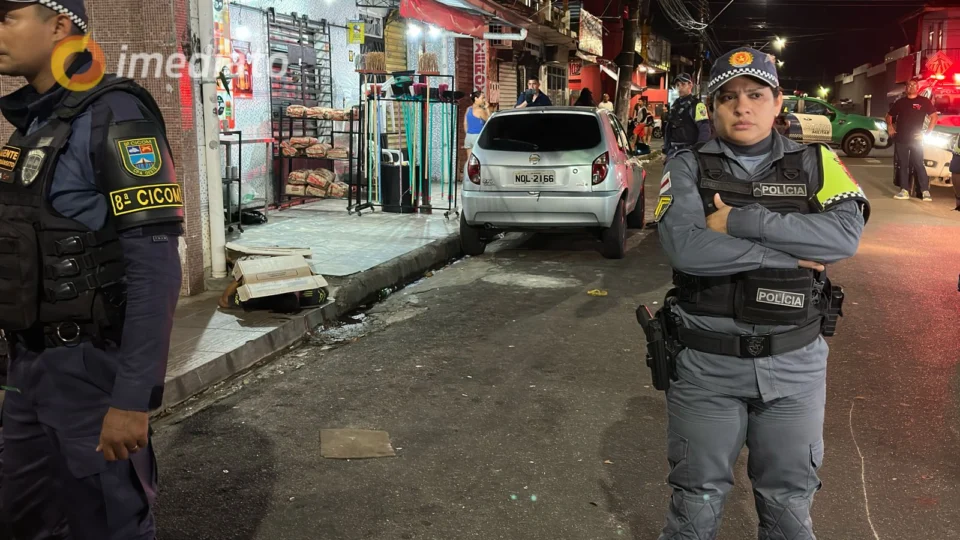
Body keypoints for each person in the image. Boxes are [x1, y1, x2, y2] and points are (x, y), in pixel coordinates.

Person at [648, 47, 869, 539]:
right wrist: (790, 254)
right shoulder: (686, 167)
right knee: (695, 505)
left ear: (777, 103)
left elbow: (842, 238)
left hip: (795, 368)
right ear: (710, 108)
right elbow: (687, 248)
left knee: (790, 506)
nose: (742, 107)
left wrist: (739, 221)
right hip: (707, 368)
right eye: (727, 97)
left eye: (755, 95)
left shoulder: (818, 161)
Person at [0, 1, 183, 538]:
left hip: (90, 372)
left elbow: (156, 268)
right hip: (29, 370)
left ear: (59, 26)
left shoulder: (117, 115)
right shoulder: (32, 124)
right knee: (25, 518)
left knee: (107, 523)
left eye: (8, 16)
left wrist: (132, 400)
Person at [886, 78, 938, 201]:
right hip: (901, 139)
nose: (911, 87)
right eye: (909, 85)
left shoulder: (924, 101)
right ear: (906, 88)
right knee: (903, 165)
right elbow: (889, 116)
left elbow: (934, 117)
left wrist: (926, 133)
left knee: (919, 164)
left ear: (918, 87)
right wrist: (890, 126)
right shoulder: (900, 102)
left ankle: (925, 191)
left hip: (917, 140)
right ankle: (904, 190)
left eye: (914, 85)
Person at [664, 73, 711, 158]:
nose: (680, 87)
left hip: (689, 151)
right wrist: (666, 149)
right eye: (678, 85)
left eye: (683, 84)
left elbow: (704, 129)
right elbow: (669, 128)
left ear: (690, 85)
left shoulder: (697, 105)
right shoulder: (675, 105)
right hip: (672, 151)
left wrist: (700, 150)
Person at [464, 90, 489, 162]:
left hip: (469, 136)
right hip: (478, 136)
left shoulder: (468, 109)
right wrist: (487, 108)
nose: (484, 100)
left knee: (469, 159)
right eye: (483, 98)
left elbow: (465, 123)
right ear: (476, 99)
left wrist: (468, 133)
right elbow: (489, 120)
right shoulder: (480, 110)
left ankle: (468, 172)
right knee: (480, 159)